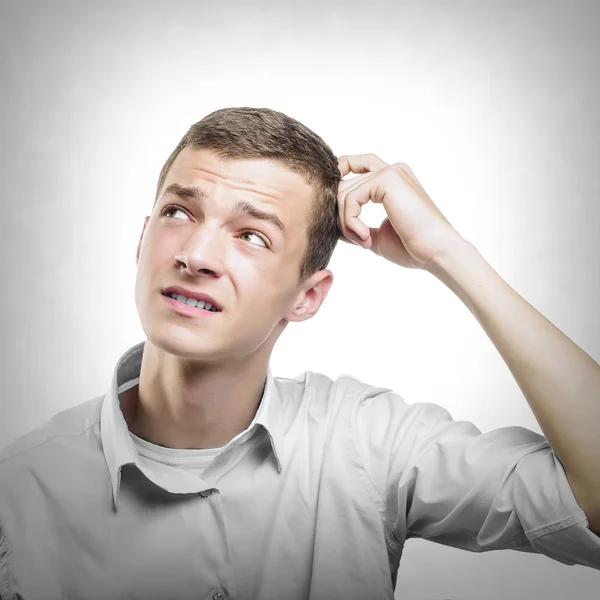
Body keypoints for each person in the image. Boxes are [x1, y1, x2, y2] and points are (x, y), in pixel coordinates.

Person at [0, 107, 598, 600]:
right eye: (179, 212)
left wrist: (447, 252)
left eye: (252, 234)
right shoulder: (19, 493)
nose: (197, 254)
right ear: (141, 239)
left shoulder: (368, 444)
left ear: (307, 297)